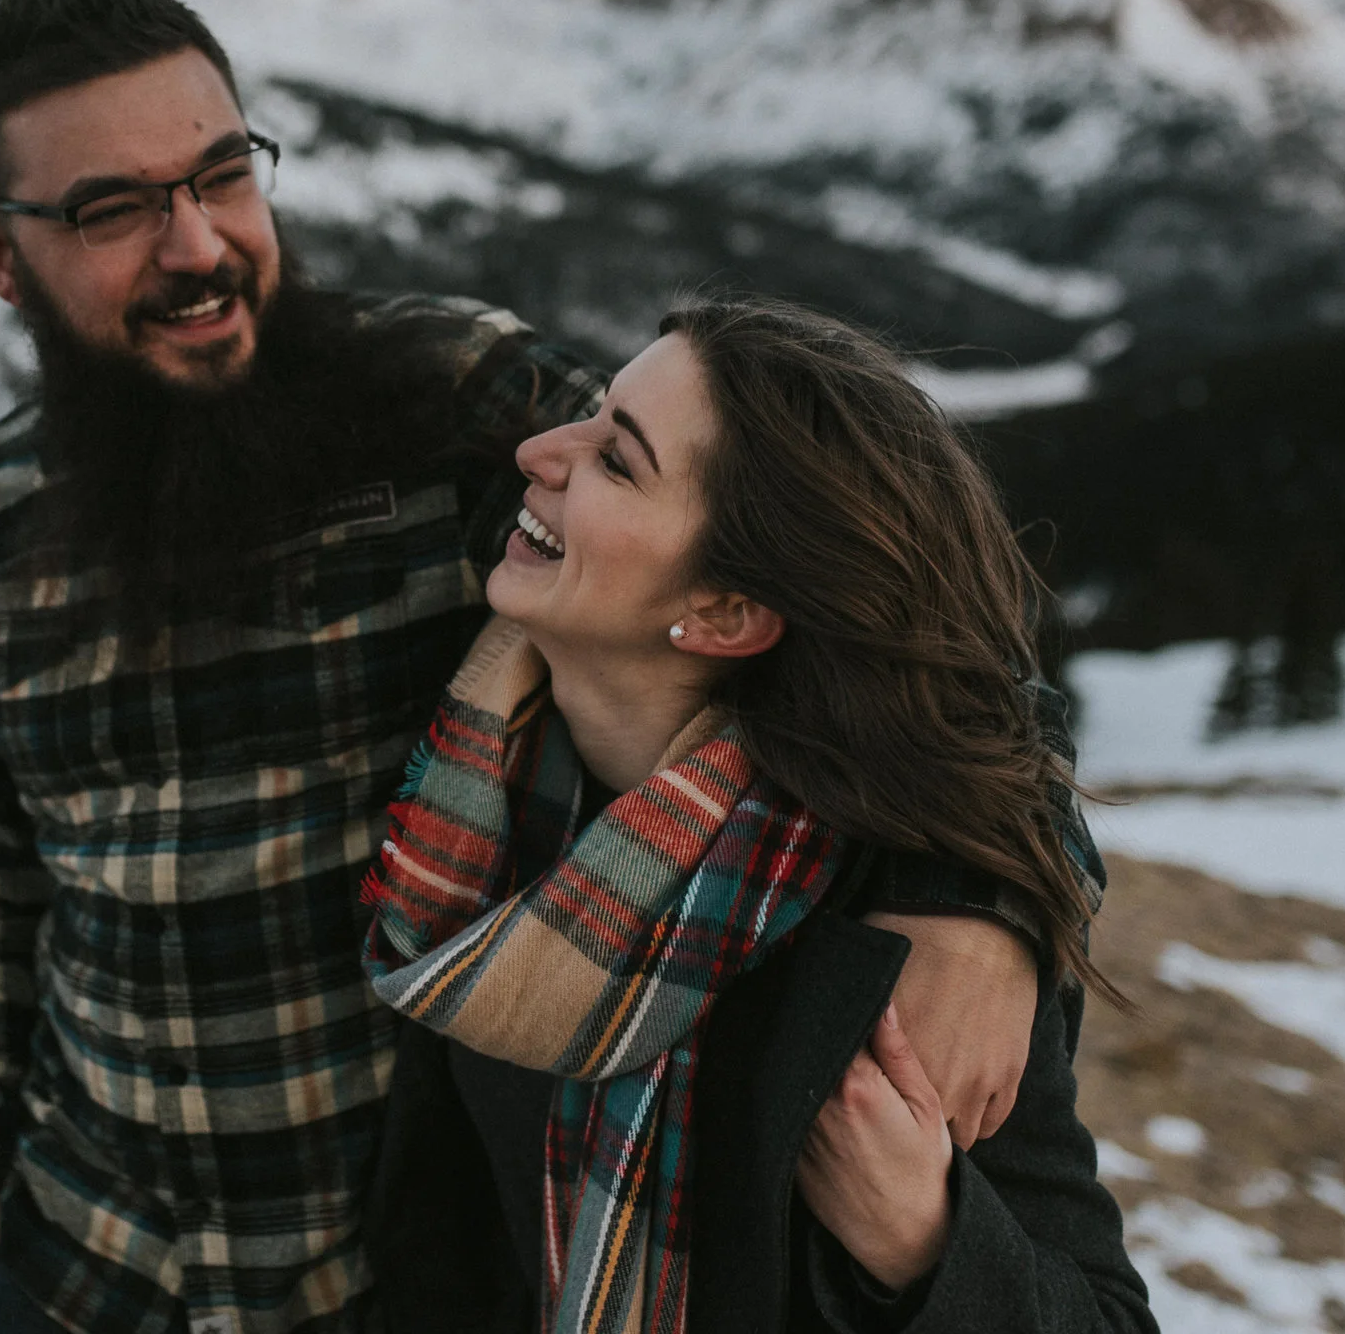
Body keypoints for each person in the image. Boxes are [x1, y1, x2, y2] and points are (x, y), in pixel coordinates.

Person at [0, 0, 1093, 1334]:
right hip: (90, 1273)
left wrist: (982, 900)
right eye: (114, 209)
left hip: (403, 1278)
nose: (199, 246)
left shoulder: (449, 410)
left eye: (224, 173)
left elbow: (850, 594)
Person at [360, 297, 1151, 1334]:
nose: (540, 449)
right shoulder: (478, 789)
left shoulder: (892, 926)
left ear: (726, 613)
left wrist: (923, 1241)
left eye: (617, 459)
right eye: (594, 411)